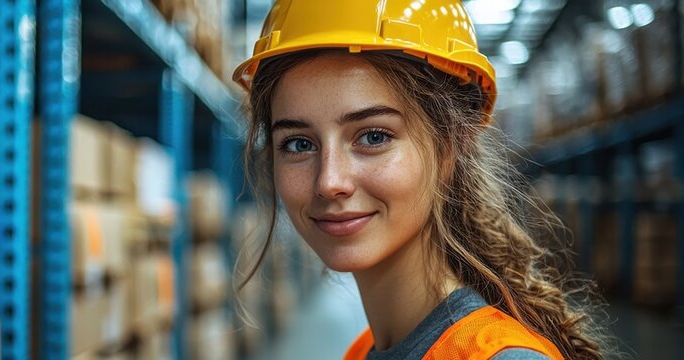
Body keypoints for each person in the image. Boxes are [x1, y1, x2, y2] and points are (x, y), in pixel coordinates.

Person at [232, 1, 612, 359]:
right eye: (298, 143)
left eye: (373, 137)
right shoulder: (366, 348)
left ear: (449, 147)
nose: (329, 181)